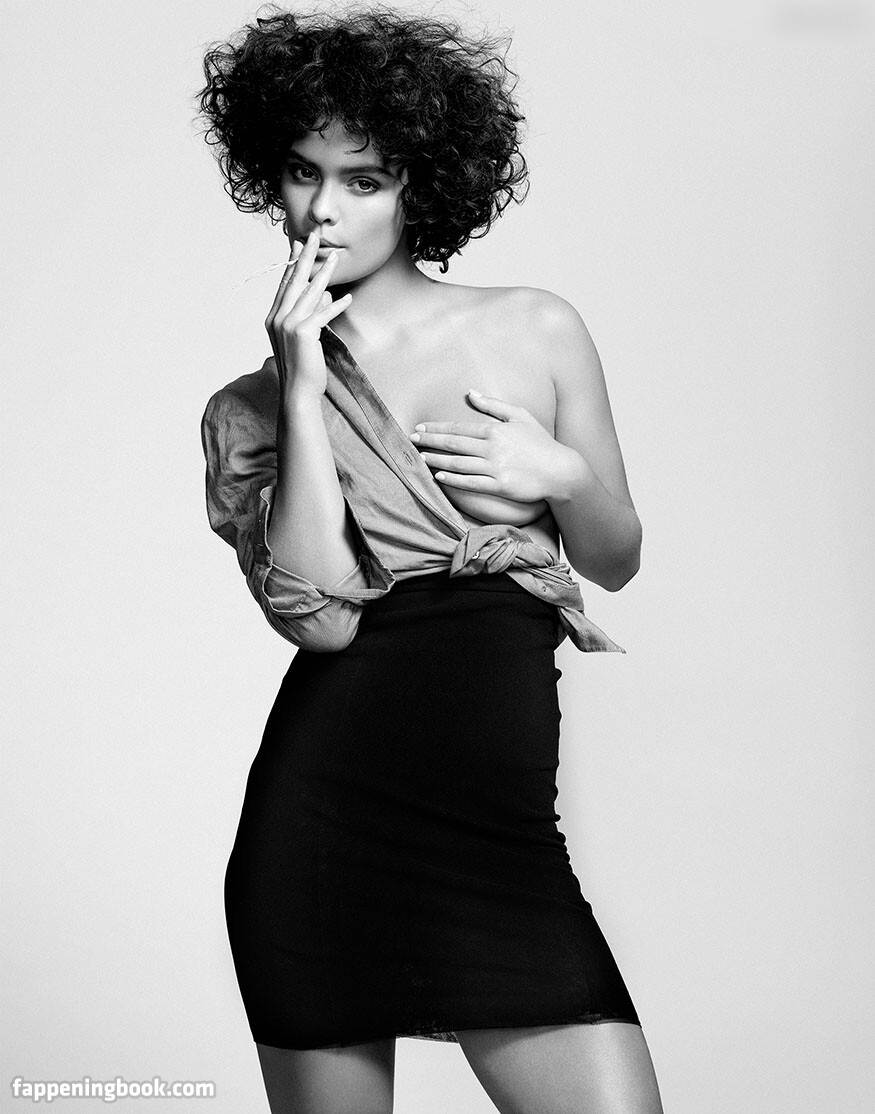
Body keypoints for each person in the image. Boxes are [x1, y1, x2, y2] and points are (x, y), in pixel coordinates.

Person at [196, 5, 663, 1112]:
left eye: (362, 178)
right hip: (321, 827)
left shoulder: (535, 328)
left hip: (499, 839)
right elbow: (319, 616)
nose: (324, 208)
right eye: (303, 173)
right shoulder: (248, 409)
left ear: (420, 184)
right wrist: (301, 386)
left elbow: (616, 559)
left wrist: (560, 476)